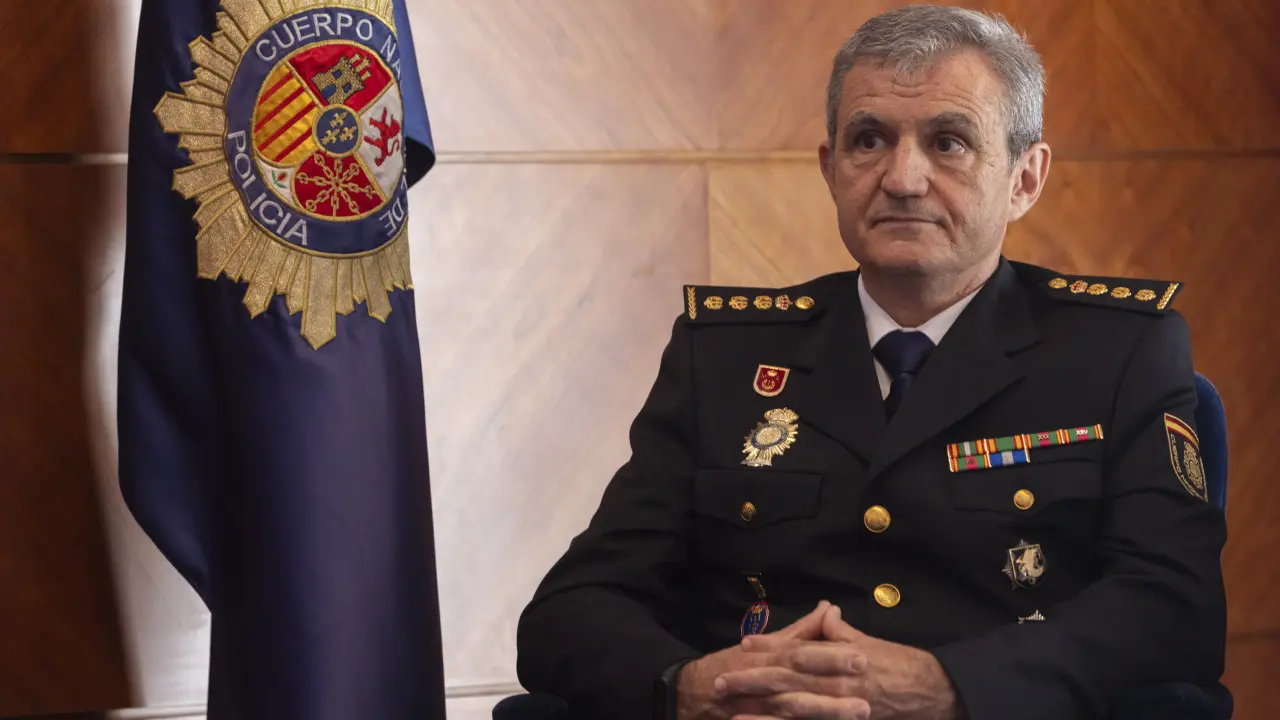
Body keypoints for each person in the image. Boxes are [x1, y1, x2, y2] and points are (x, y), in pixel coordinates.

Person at [514, 6, 1228, 719]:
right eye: (869, 140)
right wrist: (694, 688)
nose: (903, 178)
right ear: (831, 170)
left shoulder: (1117, 351)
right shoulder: (724, 356)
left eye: (948, 142)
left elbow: (1174, 607)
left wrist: (950, 687)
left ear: (1025, 178)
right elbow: (570, 611)